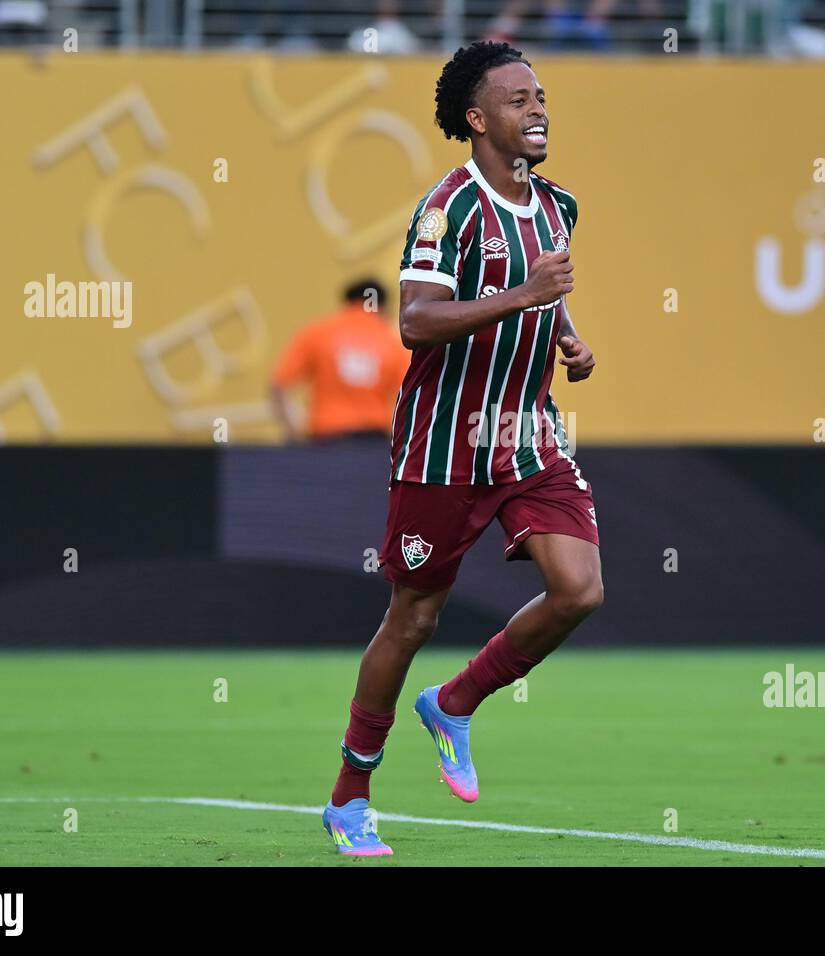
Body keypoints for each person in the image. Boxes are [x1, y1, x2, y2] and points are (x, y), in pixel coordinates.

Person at [321, 41, 602, 856]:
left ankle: (456, 702)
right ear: (478, 119)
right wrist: (524, 297)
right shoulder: (448, 208)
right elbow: (414, 321)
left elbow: (542, 298)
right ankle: (351, 796)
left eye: (541, 95)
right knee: (413, 615)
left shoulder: (558, 206)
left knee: (580, 589)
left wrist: (572, 341)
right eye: (518, 100)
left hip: (524, 431)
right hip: (445, 443)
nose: (538, 108)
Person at [269, 278, 406, 443]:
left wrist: (294, 433)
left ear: (347, 302)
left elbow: (279, 385)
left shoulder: (318, 332)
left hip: (325, 440)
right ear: (382, 307)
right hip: (374, 443)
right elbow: (411, 398)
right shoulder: (393, 341)